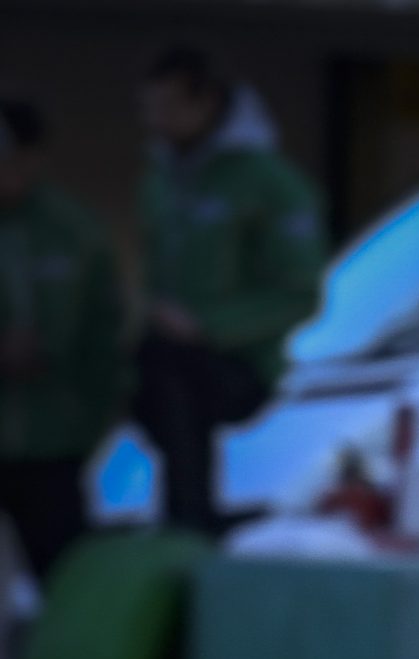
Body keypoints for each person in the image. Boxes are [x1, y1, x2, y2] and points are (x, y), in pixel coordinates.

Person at [130, 45, 323, 535]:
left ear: (207, 103)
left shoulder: (268, 182)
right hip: (169, 355)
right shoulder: (163, 180)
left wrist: (208, 327)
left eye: (169, 107)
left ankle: (191, 519)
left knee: (171, 370)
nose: (157, 121)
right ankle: (178, 516)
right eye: (151, 108)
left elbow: (301, 293)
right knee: (139, 366)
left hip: (244, 364)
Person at [0, 97, 125, 579]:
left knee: (65, 578)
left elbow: (104, 337)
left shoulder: (74, 232)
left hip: (53, 441)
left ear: (33, 158)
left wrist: (91, 424)